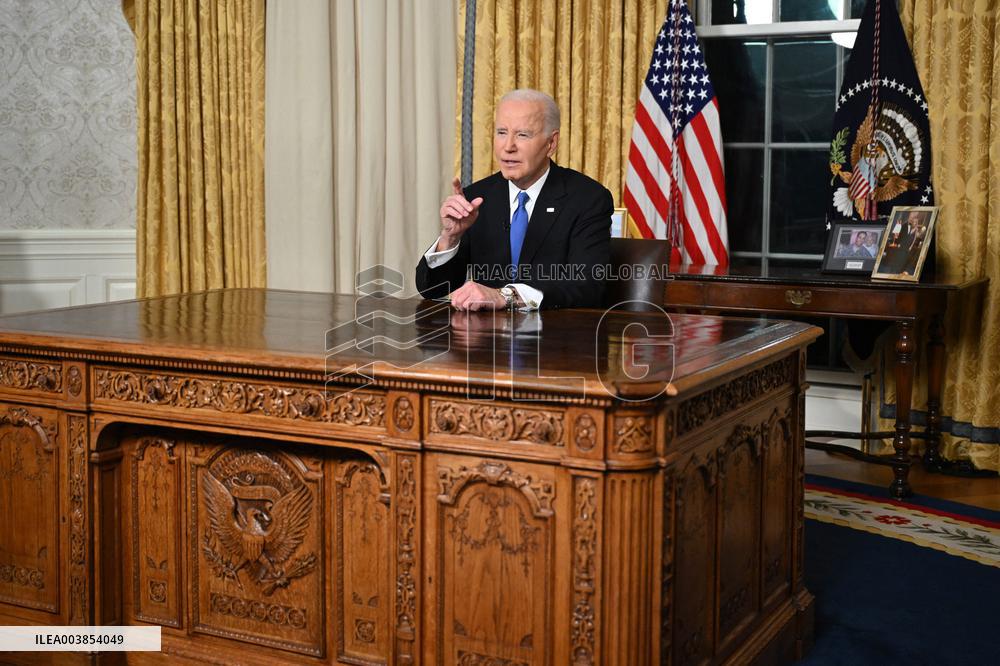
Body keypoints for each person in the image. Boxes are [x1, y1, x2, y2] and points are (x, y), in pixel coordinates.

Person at [415, 89, 612, 310]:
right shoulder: (477, 198)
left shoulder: (588, 199)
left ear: (551, 143)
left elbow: (588, 286)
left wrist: (507, 295)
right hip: (488, 331)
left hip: (553, 329)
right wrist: (450, 238)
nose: (508, 146)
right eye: (501, 132)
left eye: (522, 135)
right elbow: (432, 290)